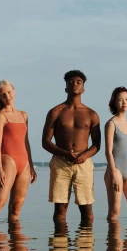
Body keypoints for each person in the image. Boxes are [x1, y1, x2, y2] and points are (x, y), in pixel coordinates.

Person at [42, 70, 101, 225]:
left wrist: (85, 155)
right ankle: (60, 246)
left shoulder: (91, 114)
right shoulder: (55, 112)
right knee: (60, 211)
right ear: (65, 88)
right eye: (70, 82)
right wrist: (64, 153)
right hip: (61, 162)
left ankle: (85, 247)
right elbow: (45, 142)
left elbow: (97, 144)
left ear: (83, 89)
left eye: (78, 82)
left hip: (83, 163)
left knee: (87, 210)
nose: (74, 84)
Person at [0, 80, 37, 222]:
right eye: (3, 95)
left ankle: (15, 242)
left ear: (14, 91)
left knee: (16, 206)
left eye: (9, 92)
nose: (7, 96)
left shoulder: (24, 115)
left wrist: (31, 165)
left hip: (24, 163)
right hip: (8, 161)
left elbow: (26, 141)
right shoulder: (0, 116)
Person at [103, 87, 127, 221]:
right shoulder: (111, 124)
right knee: (115, 213)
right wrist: (114, 172)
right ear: (115, 103)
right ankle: (114, 241)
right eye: (120, 100)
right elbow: (108, 151)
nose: (124, 102)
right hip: (116, 170)